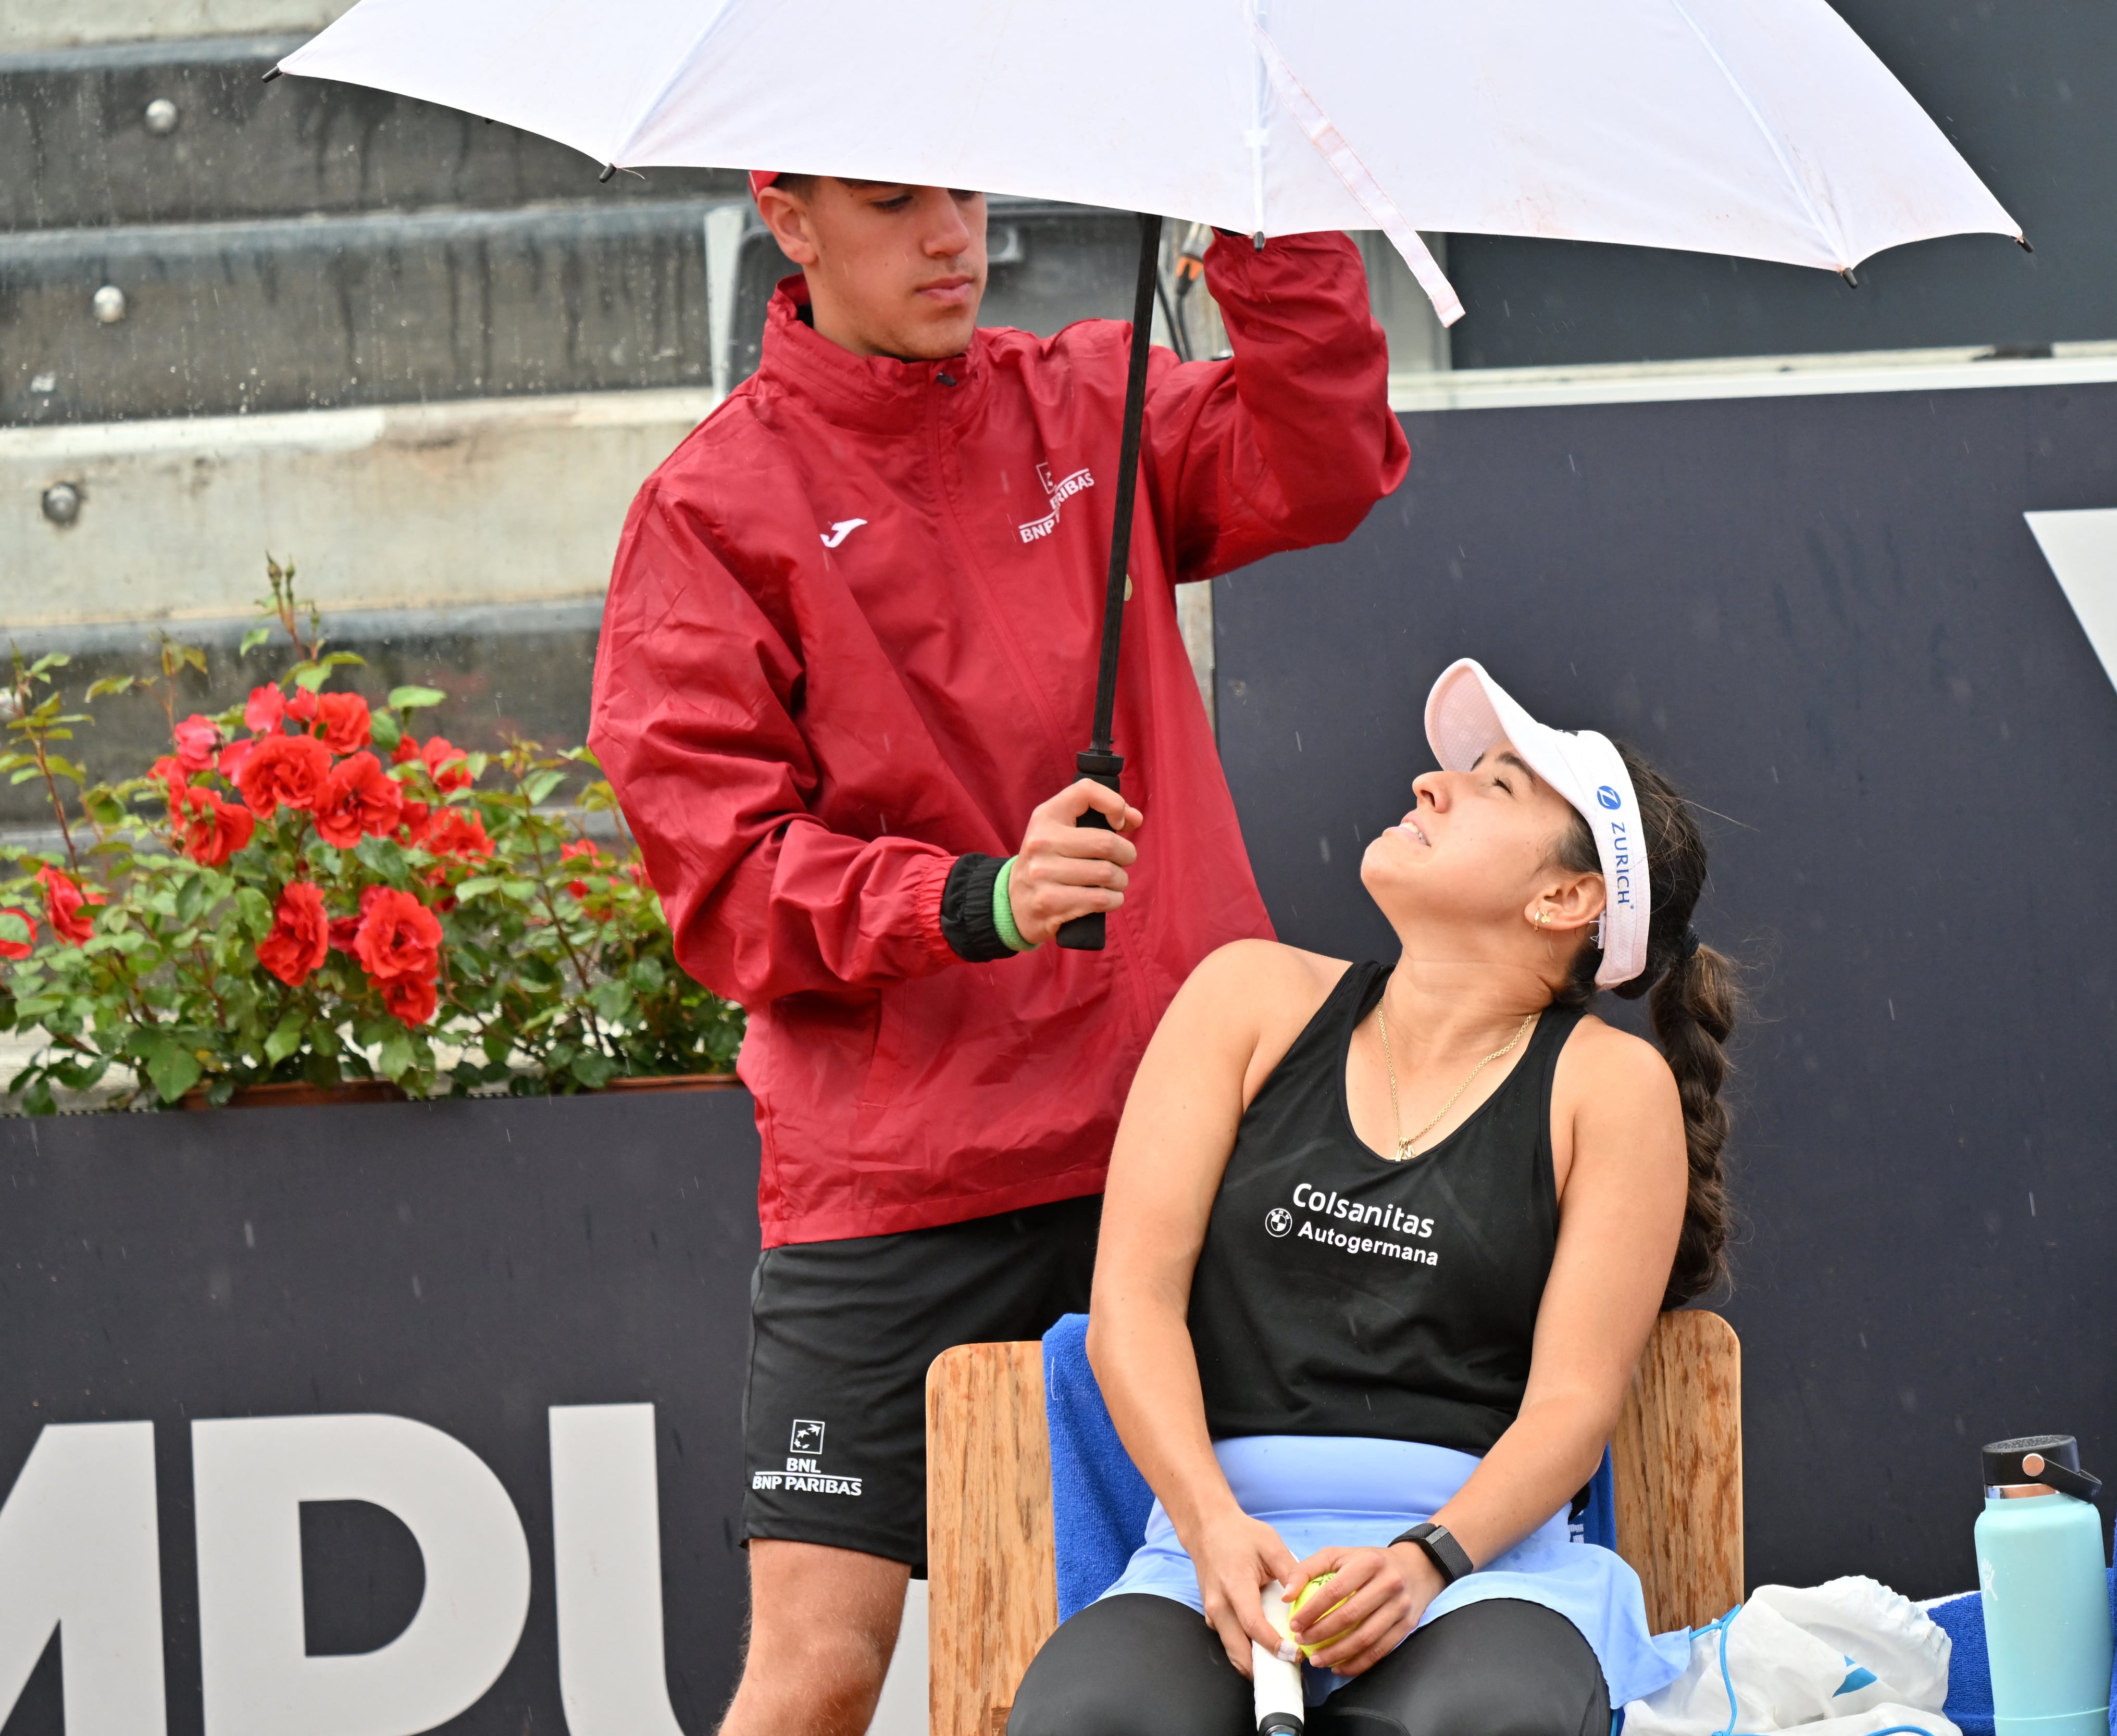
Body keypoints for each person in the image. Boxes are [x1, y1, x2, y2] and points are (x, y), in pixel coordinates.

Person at [589, 175, 1408, 1736]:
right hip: (899, 1178)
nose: (952, 238)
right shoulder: (710, 508)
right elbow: (726, 885)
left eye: (961, 196)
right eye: (895, 205)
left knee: (1263, 1630)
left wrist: (1258, 214)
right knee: (821, 1669)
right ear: (789, 215)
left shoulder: (1089, 396)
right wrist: (981, 901)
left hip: (1178, 1142)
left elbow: (1327, 460)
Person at [1006, 658, 1741, 1736]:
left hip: (1481, 1574)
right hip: (1211, 1556)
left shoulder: (1609, 1085)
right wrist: (1211, 1526)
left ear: (1566, 897)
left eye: (1495, 786)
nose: (1428, 786)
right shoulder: (1243, 995)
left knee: (1479, 1724)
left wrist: (1422, 1558)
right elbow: (1132, 1306)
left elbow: (1572, 1409)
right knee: (1090, 1722)